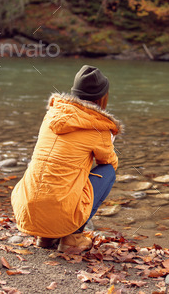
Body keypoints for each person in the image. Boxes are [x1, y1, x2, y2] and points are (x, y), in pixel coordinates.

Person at [11, 65, 122, 252]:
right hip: (58, 212)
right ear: (103, 97)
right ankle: (73, 237)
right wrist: (108, 141)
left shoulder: (51, 115)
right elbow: (109, 162)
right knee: (108, 172)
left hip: (27, 210)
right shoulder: (99, 127)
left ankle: (46, 237)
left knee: (52, 170)